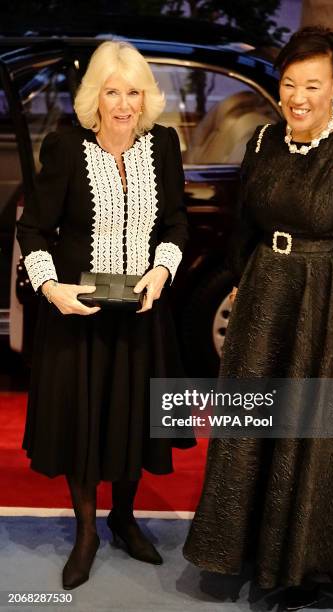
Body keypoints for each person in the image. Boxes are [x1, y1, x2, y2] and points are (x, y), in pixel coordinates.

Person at [183, 26, 333, 610]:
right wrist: (246, 289)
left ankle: (300, 568)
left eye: (312, 84)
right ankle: (245, 548)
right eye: (288, 84)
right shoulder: (261, 142)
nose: (298, 97)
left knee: (308, 434)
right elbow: (243, 231)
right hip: (263, 299)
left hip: (327, 303)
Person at [17, 40, 193, 590]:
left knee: (133, 418)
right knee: (85, 422)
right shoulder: (66, 147)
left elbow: (177, 223)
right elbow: (32, 229)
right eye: (113, 92)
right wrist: (51, 287)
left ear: (146, 98)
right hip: (79, 317)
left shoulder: (163, 145)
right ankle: (88, 531)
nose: (123, 104)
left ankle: (124, 515)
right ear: (96, 96)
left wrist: (161, 272)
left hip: (142, 312)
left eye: (133, 92)